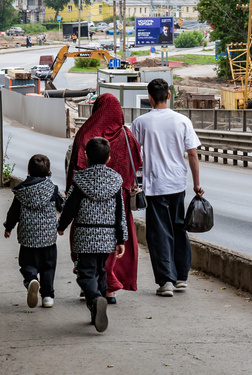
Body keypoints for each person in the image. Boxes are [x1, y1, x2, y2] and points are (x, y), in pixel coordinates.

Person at [130, 78, 204, 297]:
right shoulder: (183, 121)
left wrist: (133, 180)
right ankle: (181, 277)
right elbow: (192, 154)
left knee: (159, 233)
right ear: (169, 96)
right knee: (179, 228)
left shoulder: (141, 122)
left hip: (154, 186)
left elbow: (134, 155)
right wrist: (197, 184)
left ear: (149, 98)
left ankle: (166, 281)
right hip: (177, 184)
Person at [66, 93, 141, 304]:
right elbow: (136, 162)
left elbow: (75, 169)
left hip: (86, 202)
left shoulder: (86, 134)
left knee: (88, 247)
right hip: (119, 199)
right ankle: (110, 290)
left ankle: (90, 286)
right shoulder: (127, 135)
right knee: (116, 243)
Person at [58, 137, 126, 333]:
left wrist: (62, 225)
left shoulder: (79, 180)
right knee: (100, 271)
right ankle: (98, 302)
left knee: (85, 273)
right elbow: (119, 213)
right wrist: (120, 239)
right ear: (109, 157)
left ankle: (96, 299)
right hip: (107, 236)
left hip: (85, 234)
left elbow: (70, 206)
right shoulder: (116, 181)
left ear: (86, 157)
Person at [3, 155, 63, 309]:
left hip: (28, 237)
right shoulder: (53, 189)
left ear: (28, 170)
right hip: (48, 237)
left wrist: (8, 227)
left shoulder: (22, 191)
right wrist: (62, 224)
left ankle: (31, 280)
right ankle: (47, 296)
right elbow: (62, 206)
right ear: (49, 172)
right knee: (48, 266)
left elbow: (13, 212)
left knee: (27, 263)